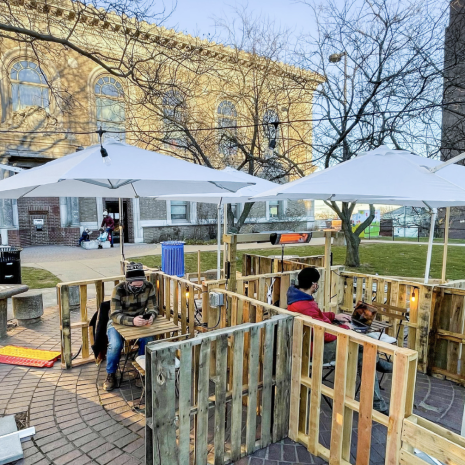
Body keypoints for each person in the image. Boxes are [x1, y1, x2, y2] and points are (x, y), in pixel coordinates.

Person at [287, 267, 390, 414]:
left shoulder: (298, 299)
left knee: (364, 353)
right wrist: (345, 328)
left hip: (312, 343)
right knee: (363, 347)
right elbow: (325, 334)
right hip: (316, 349)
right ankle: (378, 367)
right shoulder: (305, 305)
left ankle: (377, 398)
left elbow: (318, 316)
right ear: (314, 284)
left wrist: (334, 316)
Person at [103, 262, 158, 391]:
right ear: (128, 282)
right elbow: (115, 315)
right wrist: (132, 321)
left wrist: (151, 316)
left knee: (149, 340)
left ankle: (141, 370)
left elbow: (153, 308)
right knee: (115, 345)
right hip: (118, 322)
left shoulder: (149, 287)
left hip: (140, 320)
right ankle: (110, 373)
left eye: (141, 283)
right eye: (136, 284)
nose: (140, 286)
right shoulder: (118, 289)